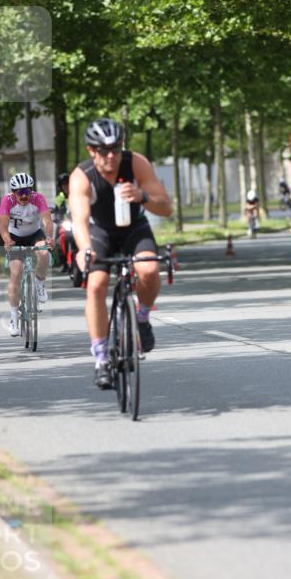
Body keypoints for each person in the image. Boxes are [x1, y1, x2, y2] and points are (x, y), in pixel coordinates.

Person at [70, 118, 172, 390]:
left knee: (149, 270)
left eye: (116, 148)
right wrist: (85, 250)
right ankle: (101, 357)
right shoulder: (82, 176)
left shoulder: (136, 162)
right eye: (104, 151)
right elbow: (80, 220)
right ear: (92, 151)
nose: (112, 156)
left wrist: (142, 197)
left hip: (134, 228)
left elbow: (166, 207)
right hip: (99, 232)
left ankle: (142, 318)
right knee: (96, 284)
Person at [0, 173, 55, 337]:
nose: (23, 196)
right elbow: (3, 226)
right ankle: (14, 318)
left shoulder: (38, 198)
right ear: (13, 192)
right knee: (15, 273)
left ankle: (39, 282)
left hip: (34, 234)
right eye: (19, 192)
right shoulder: (7, 201)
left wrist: (50, 237)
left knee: (44, 252)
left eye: (26, 192)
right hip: (15, 236)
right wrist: (7, 240)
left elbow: (47, 221)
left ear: (31, 191)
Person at [53, 172, 75, 273]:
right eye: (63, 184)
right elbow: (57, 212)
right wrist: (57, 218)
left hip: (77, 223)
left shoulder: (77, 194)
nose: (66, 186)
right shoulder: (59, 198)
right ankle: (64, 262)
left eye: (67, 183)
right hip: (65, 224)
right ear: (60, 186)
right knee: (60, 238)